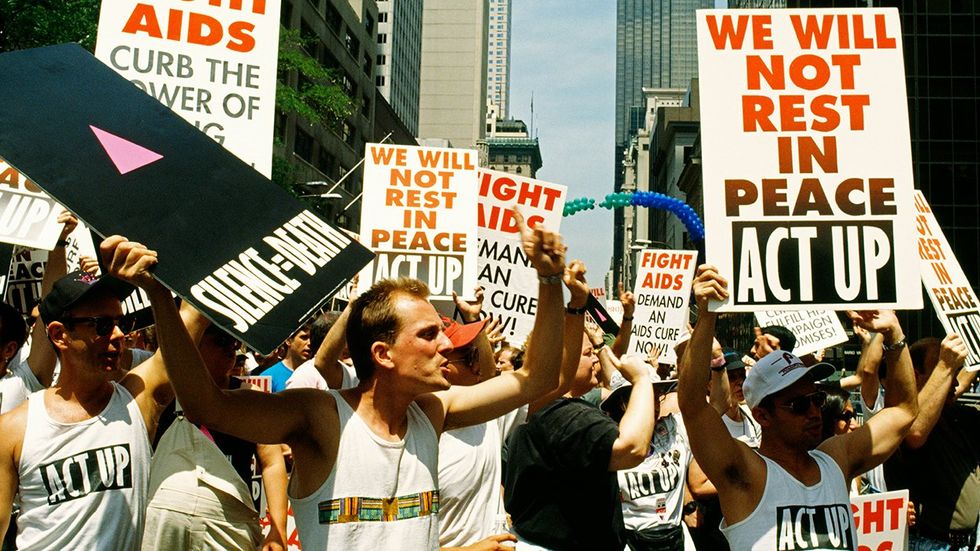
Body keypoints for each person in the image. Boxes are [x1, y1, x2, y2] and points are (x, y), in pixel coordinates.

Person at [158, 213, 566, 550]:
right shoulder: (319, 415)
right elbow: (204, 406)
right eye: (428, 334)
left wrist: (549, 281)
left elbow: (535, 378)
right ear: (382, 355)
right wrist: (161, 299)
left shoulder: (432, 413)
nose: (446, 344)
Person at [678, 265, 918, 550]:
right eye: (799, 405)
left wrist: (893, 334)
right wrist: (707, 315)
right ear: (762, 415)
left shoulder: (836, 460)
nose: (814, 412)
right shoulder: (747, 472)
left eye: (815, 399)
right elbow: (693, 405)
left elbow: (903, 411)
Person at [0, 237, 178, 549]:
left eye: (120, 322)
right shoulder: (14, 430)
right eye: (101, 325)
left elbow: (183, 339)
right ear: (59, 335)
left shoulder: (138, 400)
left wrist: (157, 288)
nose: (119, 335)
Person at [502, 260, 657, 550]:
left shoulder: (535, 408)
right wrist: (642, 380)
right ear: (564, 360)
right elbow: (632, 449)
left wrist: (578, 303)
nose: (596, 357)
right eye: (588, 353)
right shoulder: (564, 416)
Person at [144, 316, 289, 550]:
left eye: (235, 342)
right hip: (163, 528)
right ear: (193, 341)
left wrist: (278, 530)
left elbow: (272, 462)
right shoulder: (161, 395)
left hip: (228, 526)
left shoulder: (250, 398)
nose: (231, 350)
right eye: (221, 340)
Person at [885, 334, 978, 550]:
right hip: (930, 543)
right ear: (916, 375)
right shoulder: (899, 420)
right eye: (943, 371)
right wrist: (946, 364)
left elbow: (958, 384)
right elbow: (915, 432)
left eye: (956, 372)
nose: (953, 381)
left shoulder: (960, 417)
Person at [601, 374, 689, 551]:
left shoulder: (674, 429)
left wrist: (718, 363)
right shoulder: (608, 442)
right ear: (624, 403)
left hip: (676, 539)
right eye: (646, 397)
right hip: (629, 543)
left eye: (657, 398)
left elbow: (719, 404)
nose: (654, 405)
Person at [256, 325, 311, 392]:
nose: (309, 343)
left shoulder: (316, 373)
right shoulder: (268, 377)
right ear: (288, 341)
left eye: (311, 338)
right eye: (304, 337)